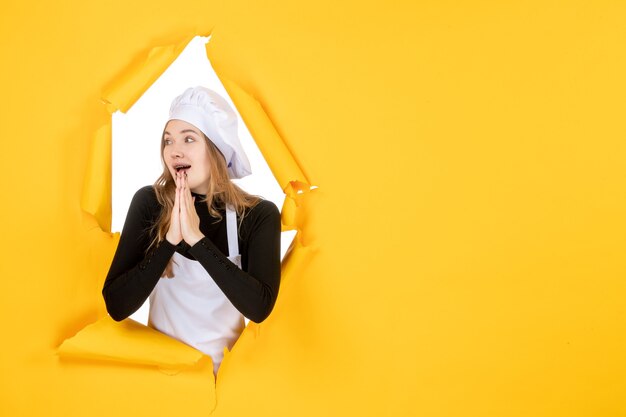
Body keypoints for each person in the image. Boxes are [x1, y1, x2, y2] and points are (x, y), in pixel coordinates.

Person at [102, 86, 282, 375]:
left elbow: (259, 309)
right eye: (168, 140)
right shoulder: (150, 203)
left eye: (189, 139)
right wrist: (171, 238)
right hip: (162, 381)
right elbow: (117, 305)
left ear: (216, 150)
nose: (175, 150)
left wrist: (197, 239)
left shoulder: (257, 215)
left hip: (224, 387)